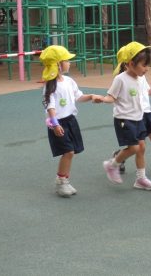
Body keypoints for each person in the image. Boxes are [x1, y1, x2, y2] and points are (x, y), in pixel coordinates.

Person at [95, 42, 151, 191]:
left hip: (138, 118)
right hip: (124, 119)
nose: (147, 68)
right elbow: (111, 97)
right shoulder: (120, 79)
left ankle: (141, 179)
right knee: (134, 148)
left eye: (148, 65)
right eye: (144, 65)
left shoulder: (141, 78)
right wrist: (103, 99)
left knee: (141, 147)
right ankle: (112, 165)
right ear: (130, 63)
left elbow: (146, 93)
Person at [40, 45, 96, 198]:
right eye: (66, 60)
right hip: (58, 123)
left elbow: (79, 96)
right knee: (68, 151)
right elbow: (50, 106)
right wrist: (55, 124)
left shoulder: (69, 81)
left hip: (71, 120)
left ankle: (64, 179)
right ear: (58, 64)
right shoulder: (50, 85)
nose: (70, 63)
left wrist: (91, 96)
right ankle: (61, 182)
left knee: (71, 152)